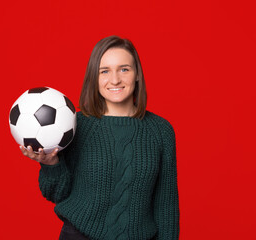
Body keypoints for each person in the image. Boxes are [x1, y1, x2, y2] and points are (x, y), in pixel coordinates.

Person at [20, 35, 180, 239]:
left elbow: (166, 206)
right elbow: (57, 194)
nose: (115, 80)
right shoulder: (74, 125)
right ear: (94, 77)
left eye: (124, 69)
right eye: (104, 71)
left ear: (137, 74)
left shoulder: (160, 131)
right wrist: (52, 164)